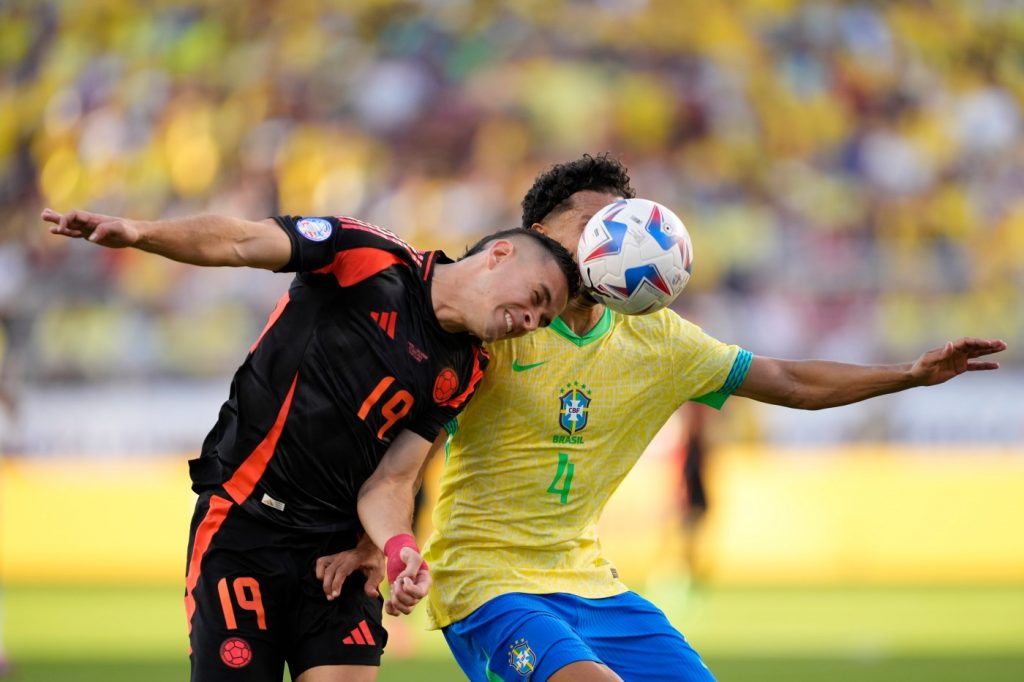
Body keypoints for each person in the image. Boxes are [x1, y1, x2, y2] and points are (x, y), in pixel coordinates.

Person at [391, 153, 1002, 682]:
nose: (611, 241)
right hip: (485, 583)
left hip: (590, 583)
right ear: (537, 232)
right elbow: (390, 441)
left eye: (621, 225)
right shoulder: (497, 326)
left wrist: (909, 374)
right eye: (592, 225)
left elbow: (787, 380)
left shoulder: (660, 342)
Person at [42, 207, 578, 682]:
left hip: (337, 558)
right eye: (535, 299)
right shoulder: (367, 256)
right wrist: (139, 233)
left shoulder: (466, 370)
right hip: (244, 526)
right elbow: (240, 242)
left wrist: (398, 549)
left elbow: (393, 480)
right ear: (499, 254)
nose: (531, 321)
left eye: (544, 319)